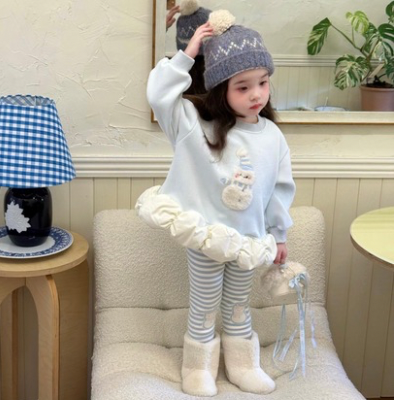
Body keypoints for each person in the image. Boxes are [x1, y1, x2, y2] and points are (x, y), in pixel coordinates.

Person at [137, 9, 296, 397]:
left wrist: (278, 235)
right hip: (206, 236)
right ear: (220, 89)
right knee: (205, 304)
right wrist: (188, 53)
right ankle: (198, 368)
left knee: (239, 305)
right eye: (243, 87)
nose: (256, 94)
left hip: (248, 240)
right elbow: (158, 95)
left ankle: (243, 364)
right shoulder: (193, 125)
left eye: (263, 82)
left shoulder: (272, 136)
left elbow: (280, 189)